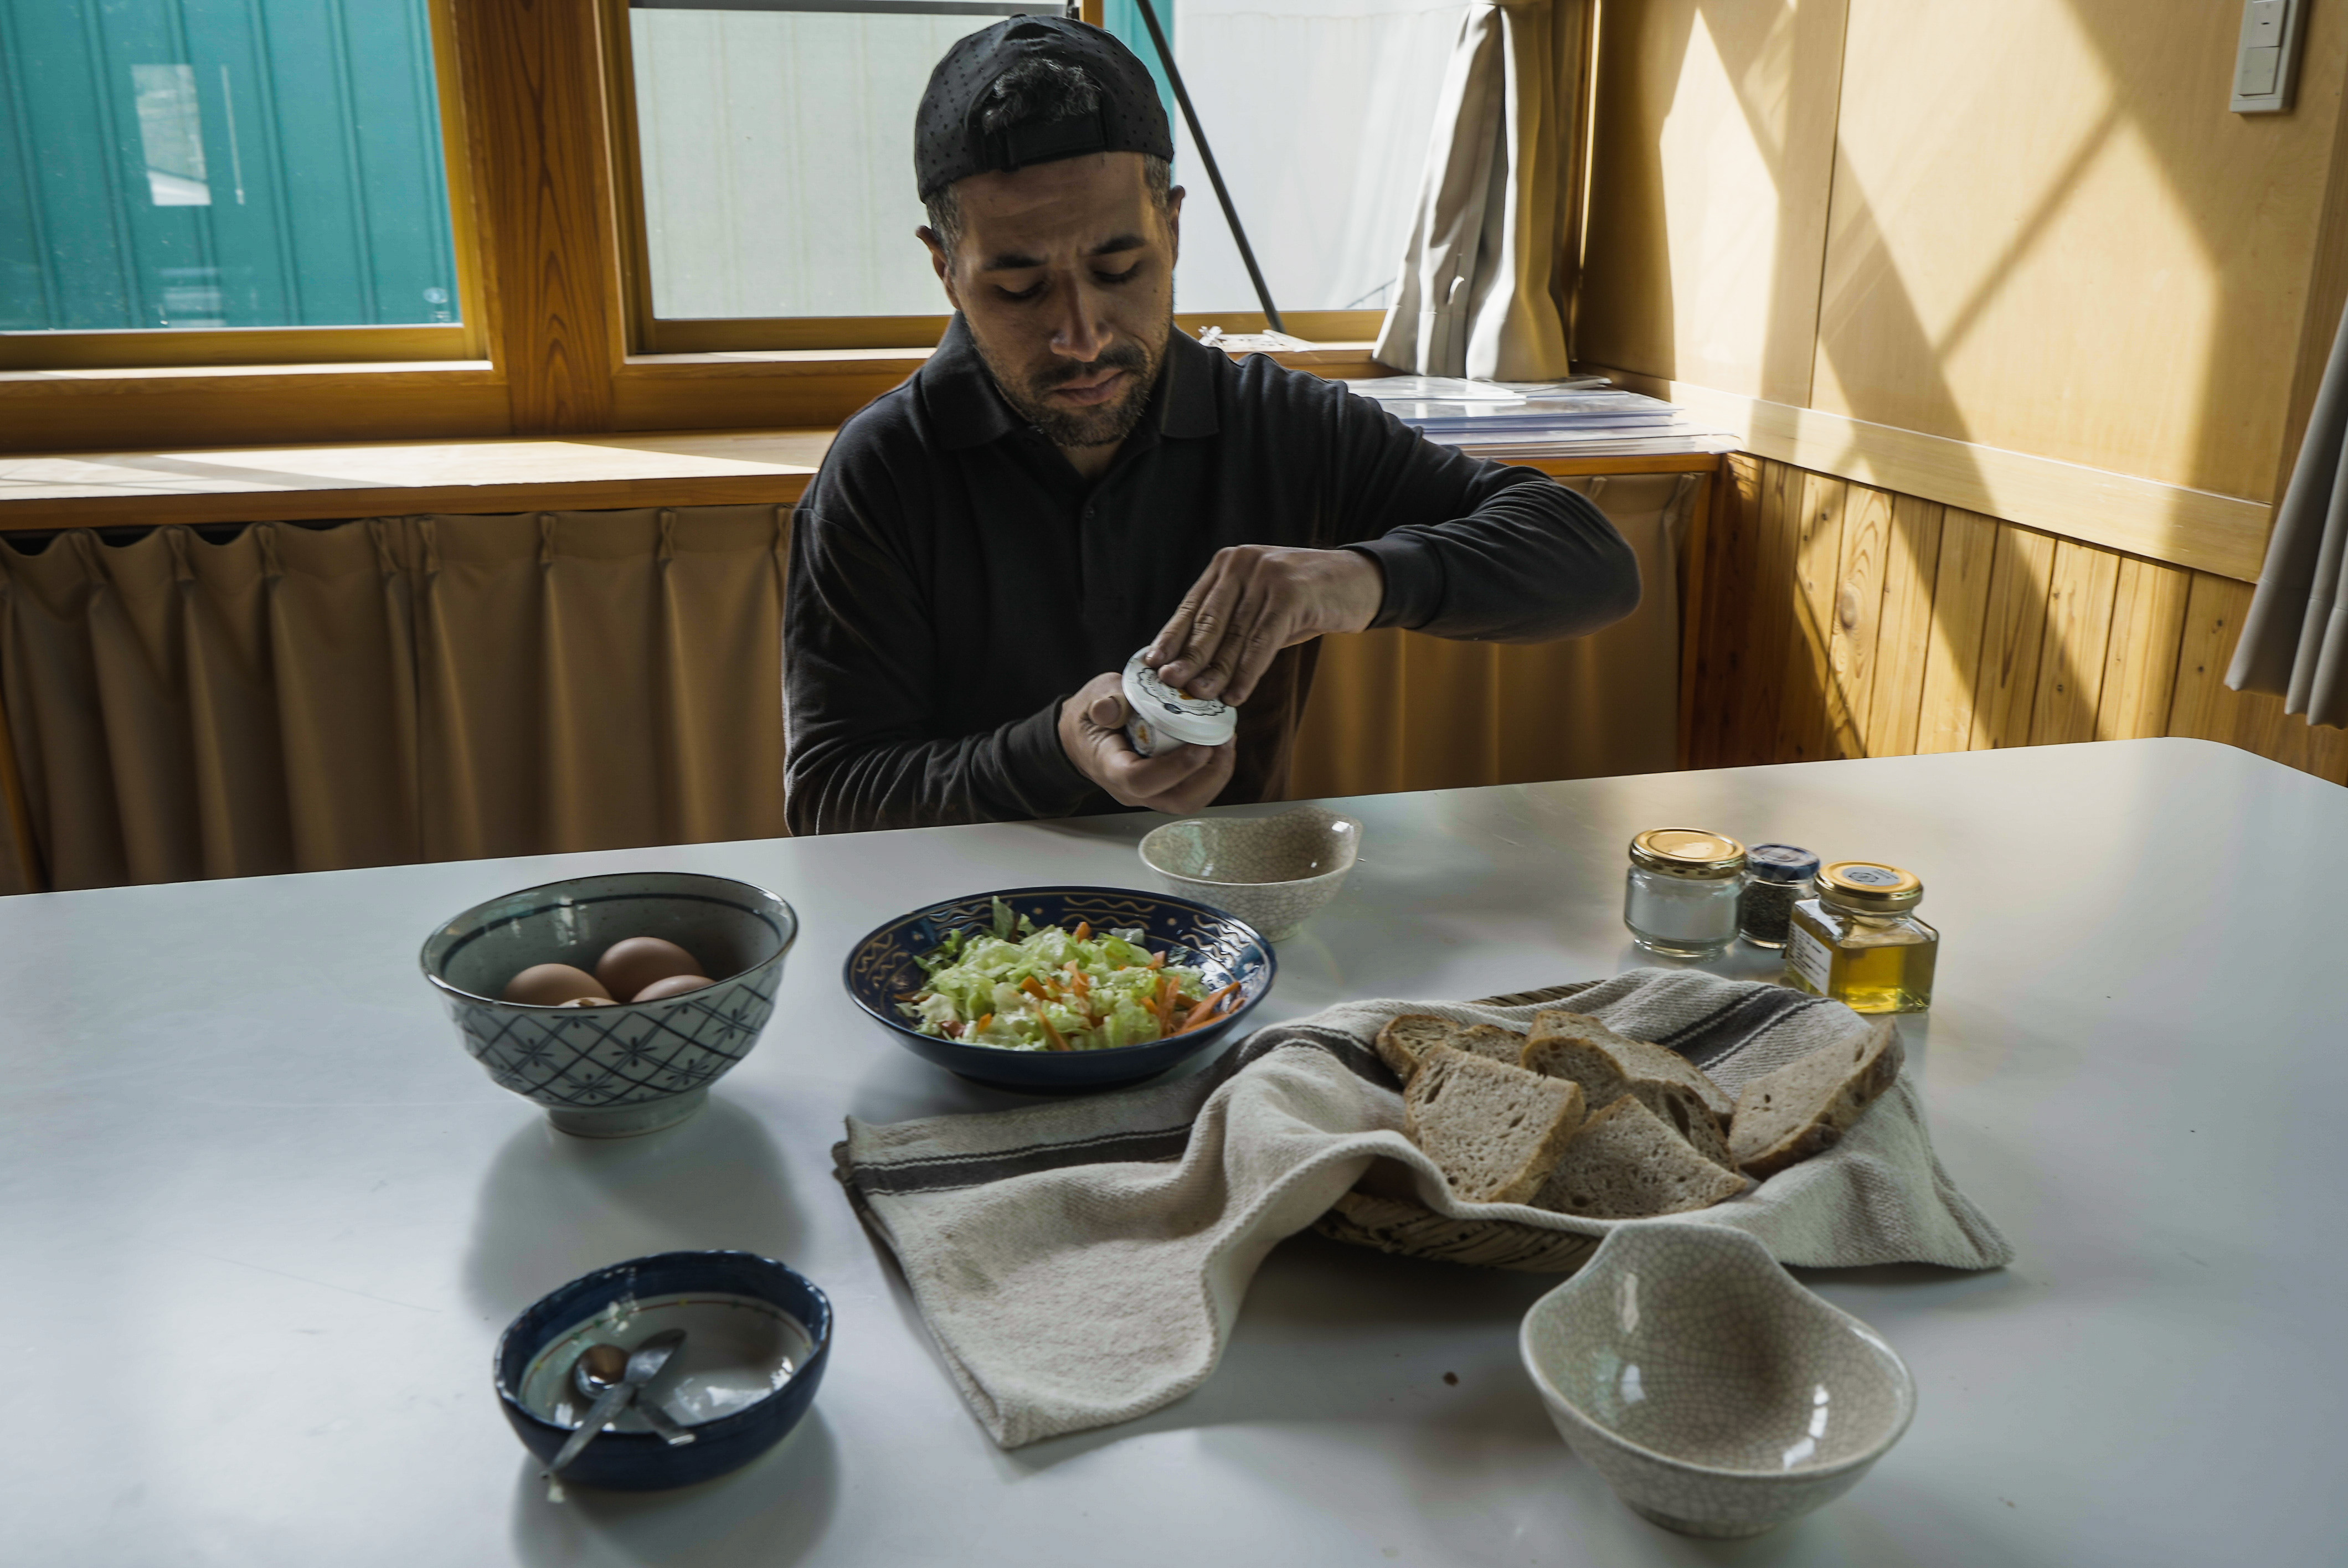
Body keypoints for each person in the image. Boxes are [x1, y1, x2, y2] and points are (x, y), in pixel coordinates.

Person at [784, 17, 1640, 835]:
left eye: (1120, 268)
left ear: (1173, 228)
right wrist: (1058, 749)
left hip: (1225, 915)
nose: (1083, 337)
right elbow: (833, 801)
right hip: (967, 925)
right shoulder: (885, 469)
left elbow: (1592, 563)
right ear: (945, 269)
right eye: (1019, 289)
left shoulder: (1280, 426)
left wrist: (1356, 581)